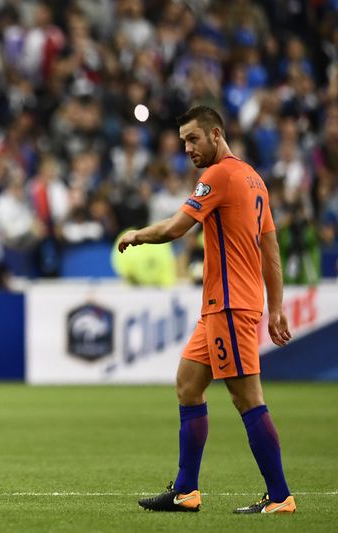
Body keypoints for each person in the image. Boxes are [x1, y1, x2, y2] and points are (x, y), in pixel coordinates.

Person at [118, 106, 296, 514]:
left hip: (230, 305)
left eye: (193, 139)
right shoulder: (254, 179)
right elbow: (269, 248)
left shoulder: (217, 175)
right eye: (183, 141)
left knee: (247, 398)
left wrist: (137, 235)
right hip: (225, 305)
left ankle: (281, 494)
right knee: (188, 383)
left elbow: (176, 227)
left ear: (216, 134)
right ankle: (186, 491)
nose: (188, 148)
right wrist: (276, 306)